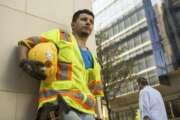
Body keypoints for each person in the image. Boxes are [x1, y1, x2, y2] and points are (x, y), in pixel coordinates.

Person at [18, 9, 104, 120]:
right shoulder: (61, 37)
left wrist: (99, 116)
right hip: (59, 104)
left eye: (91, 22)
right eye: (84, 19)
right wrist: (23, 62)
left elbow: (95, 93)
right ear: (73, 25)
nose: (88, 22)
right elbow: (25, 43)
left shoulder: (94, 61)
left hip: (88, 112)